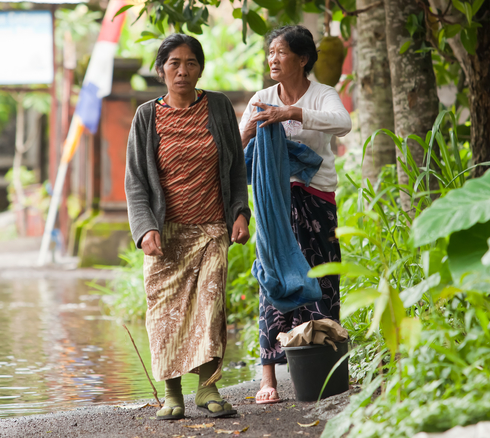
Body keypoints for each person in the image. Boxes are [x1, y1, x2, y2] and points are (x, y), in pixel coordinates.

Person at [125, 33, 251, 420]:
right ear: (161, 69)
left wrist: (240, 212)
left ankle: (207, 388)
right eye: (174, 63)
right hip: (167, 234)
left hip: (212, 228)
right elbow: (135, 182)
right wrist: (146, 228)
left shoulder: (218, 108)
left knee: (209, 308)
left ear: (200, 68)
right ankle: (172, 393)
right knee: (164, 314)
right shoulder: (147, 115)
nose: (182, 71)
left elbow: (234, 168)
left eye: (191, 63)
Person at [239, 25, 352, 405]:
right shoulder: (260, 98)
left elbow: (343, 123)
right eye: (270, 52)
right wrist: (254, 127)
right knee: (272, 278)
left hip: (317, 198)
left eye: (280, 52)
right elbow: (237, 146)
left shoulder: (323, 95)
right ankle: (268, 376)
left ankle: (326, 367)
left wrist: (292, 113)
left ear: (302, 59)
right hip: (275, 203)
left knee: (322, 280)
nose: (273, 59)